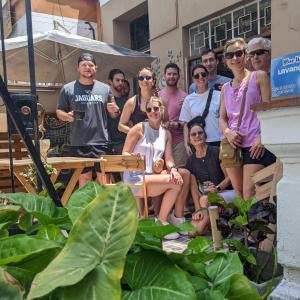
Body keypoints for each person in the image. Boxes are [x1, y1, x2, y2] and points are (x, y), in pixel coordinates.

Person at [219, 37, 276, 200]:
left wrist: (261, 136)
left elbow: (268, 110)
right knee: (239, 193)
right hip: (233, 146)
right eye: (230, 55)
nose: (234, 58)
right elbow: (221, 119)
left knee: (249, 192)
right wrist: (228, 132)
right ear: (225, 60)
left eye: (238, 53)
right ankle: (245, 226)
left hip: (254, 145)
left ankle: (256, 225)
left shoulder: (259, 76)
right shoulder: (225, 88)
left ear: (246, 55)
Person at [123, 96, 184, 240]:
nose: (152, 112)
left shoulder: (166, 133)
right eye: (149, 109)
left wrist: (173, 169)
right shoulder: (138, 128)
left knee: (179, 178)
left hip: (151, 176)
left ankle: (165, 219)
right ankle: (161, 221)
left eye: (155, 108)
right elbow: (124, 153)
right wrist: (135, 158)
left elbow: (168, 159)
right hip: (135, 178)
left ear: (162, 109)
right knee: (175, 183)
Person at [56, 53, 119, 187]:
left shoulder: (105, 89)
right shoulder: (67, 89)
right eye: (83, 65)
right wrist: (66, 116)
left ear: (96, 68)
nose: (87, 67)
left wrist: (115, 110)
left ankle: (104, 208)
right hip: (79, 142)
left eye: (90, 65)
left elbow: (113, 114)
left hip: (101, 141)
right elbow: (59, 111)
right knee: (84, 179)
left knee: (104, 180)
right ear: (77, 68)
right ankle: (86, 208)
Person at [186, 122, 235, 234]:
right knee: (192, 233)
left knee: (205, 199)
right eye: (193, 134)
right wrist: (198, 209)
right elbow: (194, 189)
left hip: (227, 192)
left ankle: (217, 230)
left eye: (200, 133)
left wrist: (217, 189)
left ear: (205, 136)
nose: (197, 136)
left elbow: (229, 178)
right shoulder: (191, 161)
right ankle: (216, 224)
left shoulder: (217, 151)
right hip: (208, 200)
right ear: (189, 140)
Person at [158, 63, 190, 227]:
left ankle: (176, 215)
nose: (171, 76)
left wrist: (175, 125)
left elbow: (186, 122)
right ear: (164, 76)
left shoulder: (185, 96)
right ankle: (161, 216)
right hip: (161, 142)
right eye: (168, 74)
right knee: (161, 177)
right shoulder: (158, 95)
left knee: (179, 178)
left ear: (179, 76)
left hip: (178, 142)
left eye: (174, 74)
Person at [180, 64, 222, 156]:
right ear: (193, 79)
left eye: (203, 74)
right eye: (196, 76)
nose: (200, 77)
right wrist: (187, 144)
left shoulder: (219, 95)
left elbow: (224, 118)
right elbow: (186, 124)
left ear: (207, 76)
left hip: (217, 141)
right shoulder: (188, 99)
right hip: (197, 143)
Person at [118, 67, 156, 134]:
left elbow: (166, 122)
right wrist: (136, 133)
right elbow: (121, 126)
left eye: (148, 78)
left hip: (156, 142)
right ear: (138, 82)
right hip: (138, 142)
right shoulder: (131, 102)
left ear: (153, 81)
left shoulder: (160, 101)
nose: (144, 80)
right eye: (141, 78)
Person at [107, 69, 128, 154]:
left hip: (124, 144)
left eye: (122, 80)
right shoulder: (105, 99)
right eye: (117, 80)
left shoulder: (128, 101)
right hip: (107, 144)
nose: (120, 83)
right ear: (110, 81)